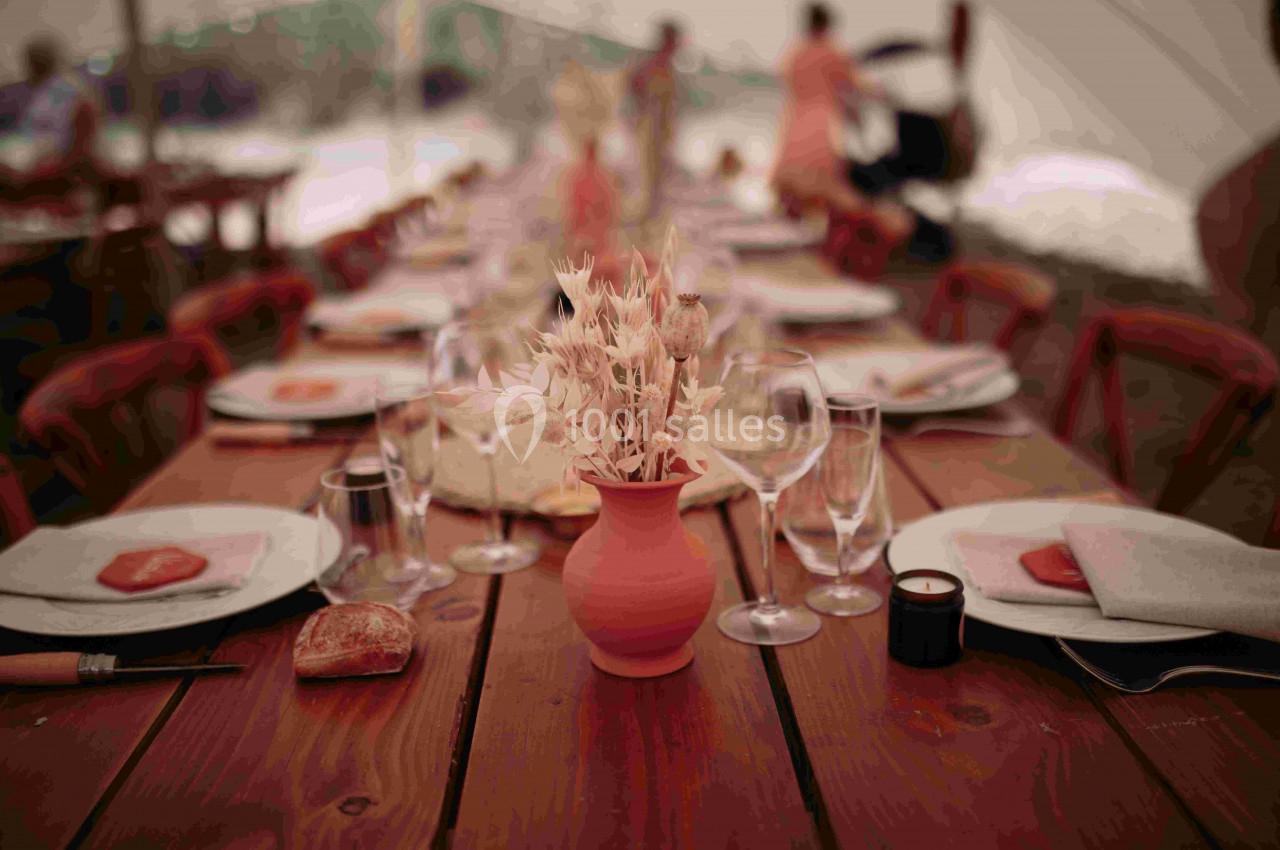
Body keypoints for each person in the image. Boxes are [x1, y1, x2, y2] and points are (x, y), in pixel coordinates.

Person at [772, 4, 874, 211]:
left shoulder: (795, 53)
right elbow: (856, 84)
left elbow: (785, 78)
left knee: (791, 183)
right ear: (827, 24)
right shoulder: (832, 52)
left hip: (795, 119)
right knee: (821, 185)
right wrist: (880, 91)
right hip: (823, 120)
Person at [0, 36, 102, 203]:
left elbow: (66, 149)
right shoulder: (53, 91)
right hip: (46, 167)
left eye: (30, 63)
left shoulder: (65, 94)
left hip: (61, 176)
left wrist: (24, 173)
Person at [629, 20, 681, 218]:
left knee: (654, 178)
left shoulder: (660, 64)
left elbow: (634, 81)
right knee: (652, 178)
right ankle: (648, 218)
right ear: (669, 40)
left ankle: (650, 216)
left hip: (655, 125)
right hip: (653, 126)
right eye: (675, 40)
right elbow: (636, 83)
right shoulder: (658, 64)